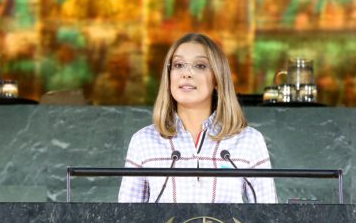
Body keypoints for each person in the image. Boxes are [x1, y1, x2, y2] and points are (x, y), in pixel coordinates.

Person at [118, 33, 277, 203]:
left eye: (200, 65)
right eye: (178, 65)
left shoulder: (249, 141)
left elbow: (269, 219)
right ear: (169, 75)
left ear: (218, 78)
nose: (186, 73)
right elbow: (126, 222)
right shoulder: (143, 141)